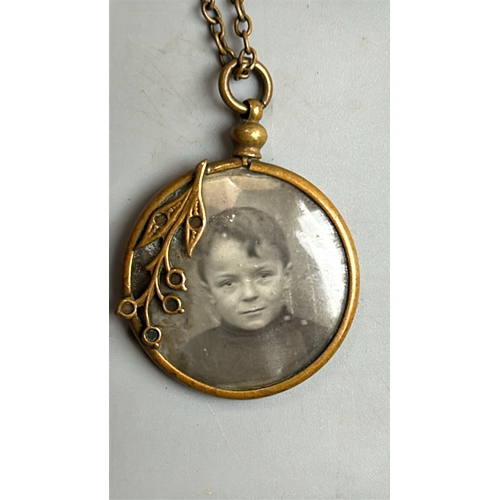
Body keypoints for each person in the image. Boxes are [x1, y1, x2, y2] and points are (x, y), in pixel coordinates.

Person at [177, 207, 332, 390]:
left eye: (263, 275)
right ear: (209, 291)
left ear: (286, 276)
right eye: (228, 283)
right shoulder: (195, 356)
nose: (249, 294)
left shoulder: (315, 341)